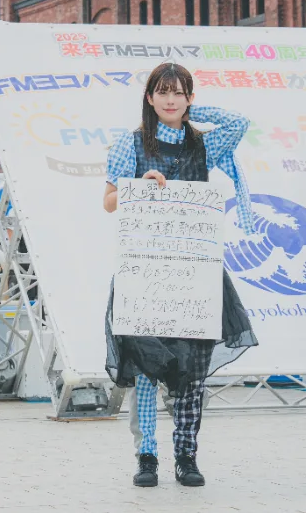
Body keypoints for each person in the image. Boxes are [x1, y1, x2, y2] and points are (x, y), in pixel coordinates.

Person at [103, 62, 258, 489]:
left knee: (191, 370)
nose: (170, 99)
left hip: (196, 273)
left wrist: (194, 110)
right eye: (163, 91)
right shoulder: (131, 144)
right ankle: (148, 455)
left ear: (189, 98)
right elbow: (109, 202)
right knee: (148, 369)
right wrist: (139, 186)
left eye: (179, 92)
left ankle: (186, 456)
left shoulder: (205, 144)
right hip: (146, 271)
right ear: (149, 97)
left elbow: (241, 121)